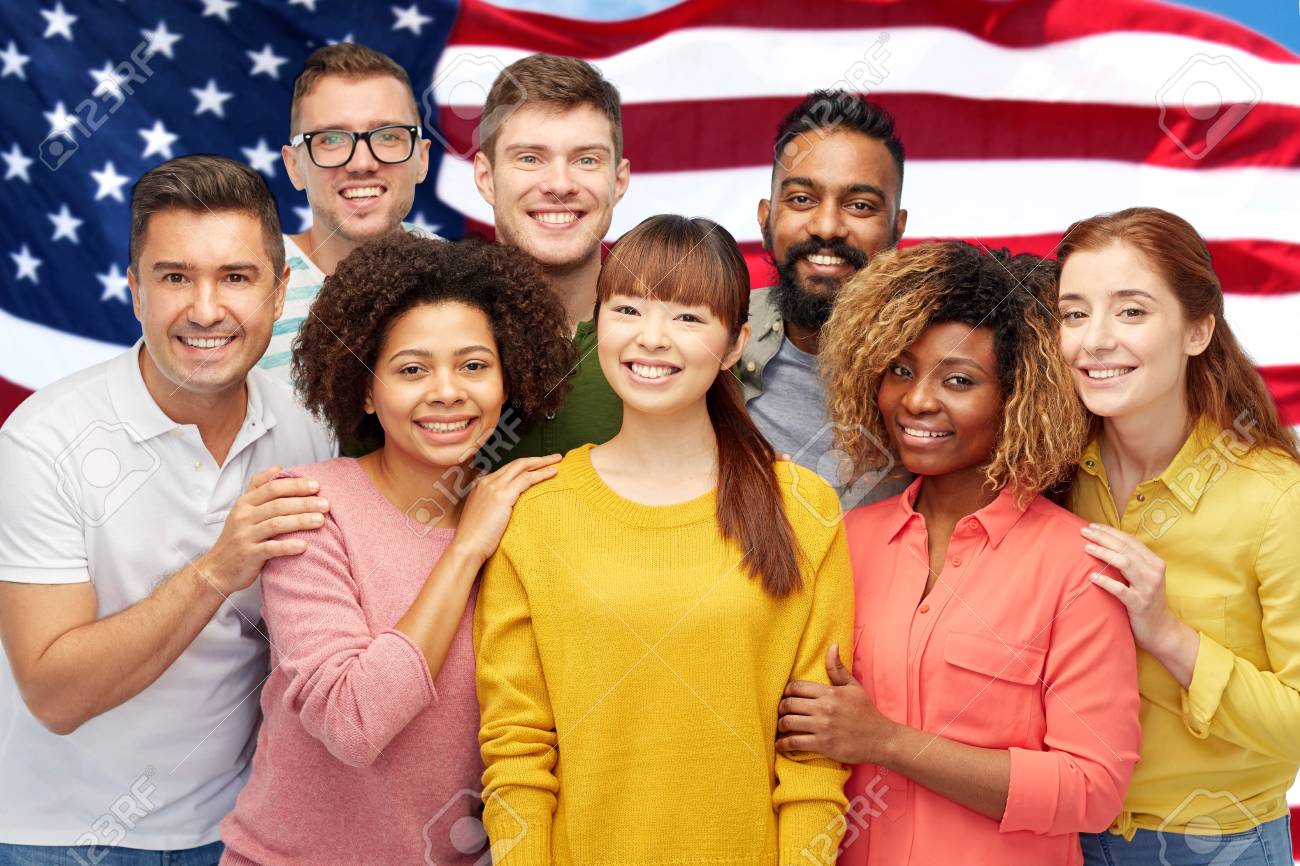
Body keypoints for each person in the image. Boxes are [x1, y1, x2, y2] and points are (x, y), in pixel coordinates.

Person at [474, 215, 853, 865]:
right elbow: (517, 752)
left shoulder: (803, 509)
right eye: (628, 308)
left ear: (734, 344)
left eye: (688, 318)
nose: (652, 338)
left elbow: (814, 761)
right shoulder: (536, 512)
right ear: (599, 322)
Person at [0, 155, 334, 865]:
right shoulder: (42, 440)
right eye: (175, 276)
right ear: (135, 291)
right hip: (54, 836)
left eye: (235, 278)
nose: (206, 309)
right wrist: (220, 567)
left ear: (278, 295)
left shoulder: (312, 429)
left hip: (236, 832)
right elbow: (54, 694)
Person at [779, 241, 1141, 866]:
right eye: (899, 369)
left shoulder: (1078, 567)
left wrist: (887, 741)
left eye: (958, 380)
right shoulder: (845, 542)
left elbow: (1093, 790)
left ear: (1019, 397)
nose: (917, 400)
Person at [218, 233, 572, 866]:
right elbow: (355, 723)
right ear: (363, 388)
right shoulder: (311, 510)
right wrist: (464, 552)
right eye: (412, 369)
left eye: (473, 365)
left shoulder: (526, 520)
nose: (447, 391)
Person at [1055, 207, 1300, 865]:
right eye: (1074, 314)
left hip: (1218, 847)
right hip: (1059, 835)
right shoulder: (1046, 477)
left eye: (1131, 312)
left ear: (1197, 330)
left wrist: (1168, 635)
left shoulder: (1276, 498)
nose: (1095, 340)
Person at [742, 90, 910, 502]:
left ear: (897, 228)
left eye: (860, 205)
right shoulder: (706, 336)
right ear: (766, 217)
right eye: (802, 199)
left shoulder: (942, 363)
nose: (827, 226)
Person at [472, 53, 630, 458]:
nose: (560, 184)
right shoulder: (418, 331)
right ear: (486, 179)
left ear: (619, 181)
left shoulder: (681, 340)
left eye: (586, 160)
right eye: (529, 158)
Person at [262, 42, 438, 383]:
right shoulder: (241, 288)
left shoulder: (469, 285)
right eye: (330, 139)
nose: (362, 163)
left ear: (422, 159)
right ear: (294, 166)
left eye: (387, 136)